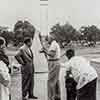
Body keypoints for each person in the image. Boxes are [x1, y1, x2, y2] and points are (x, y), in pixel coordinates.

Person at [40, 35, 61, 100]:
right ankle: (57, 96)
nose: (47, 40)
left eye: (48, 38)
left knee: (51, 81)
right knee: (55, 80)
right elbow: (50, 53)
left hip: (53, 62)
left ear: (51, 38)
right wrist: (45, 50)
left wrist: (44, 51)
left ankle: (51, 97)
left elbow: (52, 54)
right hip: (54, 62)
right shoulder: (53, 44)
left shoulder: (54, 44)